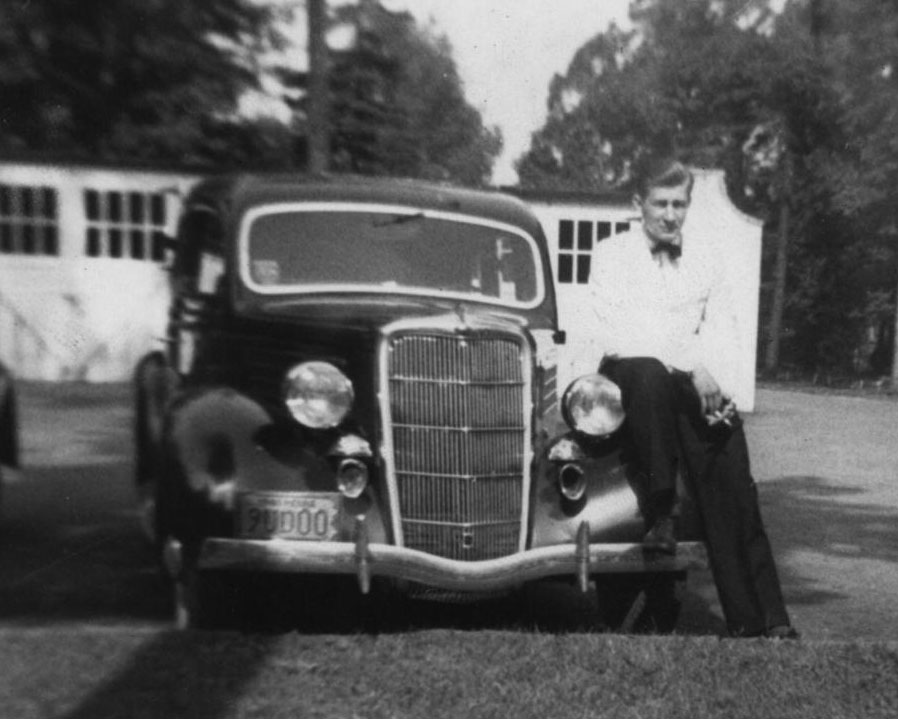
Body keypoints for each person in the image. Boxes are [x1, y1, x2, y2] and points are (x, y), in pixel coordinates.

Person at [588, 155, 798, 639]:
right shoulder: (611, 254)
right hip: (631, 378)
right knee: (649, 373)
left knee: (729, 463)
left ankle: (762, 618)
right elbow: (627, 333)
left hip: (687, 383)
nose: (669, 214)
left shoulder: (704, 259)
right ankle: (661, 511)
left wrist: (718, 389)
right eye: (659, 203)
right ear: (638, 204)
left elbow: (723, 330)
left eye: (678, 204)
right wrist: (695, 367)